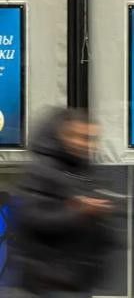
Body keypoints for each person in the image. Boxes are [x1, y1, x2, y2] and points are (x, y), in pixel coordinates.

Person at [10, 108, 116, 297]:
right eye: (80, 137)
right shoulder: (42, 170)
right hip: (47, 282)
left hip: (76, 280)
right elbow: (32, 217)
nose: (86, 144)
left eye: (91, 139)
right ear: (62, 135)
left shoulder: (82, 170)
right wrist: (79, 210)